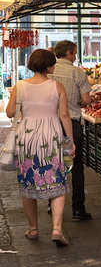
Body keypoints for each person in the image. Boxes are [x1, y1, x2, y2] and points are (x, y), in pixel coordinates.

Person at [6, 49, 74, 246]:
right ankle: (56, 229)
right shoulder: (57, 86)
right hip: (51, 137)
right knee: (57, 182)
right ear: (48, 66)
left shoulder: (20, 86)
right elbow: (64, 116)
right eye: (53, 63)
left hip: (27, 139)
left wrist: (14, 98)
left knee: (28, 182)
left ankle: (33, 228)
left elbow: (10, 113)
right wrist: (70, 141)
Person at [49, 40, 92, 220]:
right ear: (68, 53)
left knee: (53, 165)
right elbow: (86, 100)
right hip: (69, 126)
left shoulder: (48, 71)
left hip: (49, 125)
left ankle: (52, 205)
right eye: (74, 53)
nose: (75, 57)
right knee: (74, 166)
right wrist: (77, 102)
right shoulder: (77, 73)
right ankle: (77, 209)